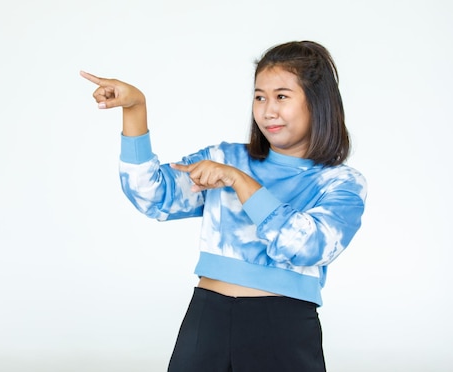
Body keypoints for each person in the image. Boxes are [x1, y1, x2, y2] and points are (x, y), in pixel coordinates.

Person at [80, 40, 367, 372]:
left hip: (283, 328)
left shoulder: (341, 183)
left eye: (282, 96)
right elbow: (152, 196)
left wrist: (241, 182)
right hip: (207, 319)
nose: (268, 110)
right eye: (260, 97)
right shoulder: (225, 158)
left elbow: (307, 246)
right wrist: (135, 109)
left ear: (316, 102)